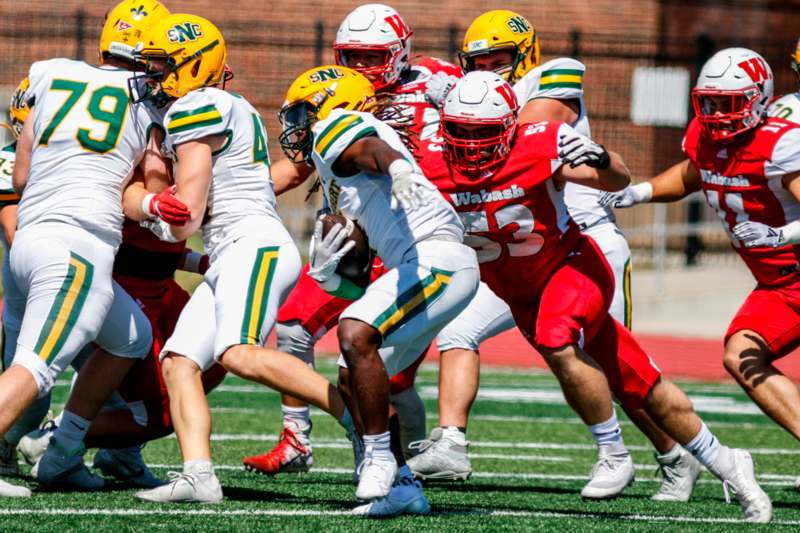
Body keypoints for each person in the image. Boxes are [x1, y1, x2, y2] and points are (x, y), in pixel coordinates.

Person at [425, 70, 772, 523]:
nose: (470, 143)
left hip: (572, 266)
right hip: (519, 292)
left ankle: (613, 452)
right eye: (460, 131)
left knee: (556, 338)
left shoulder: (538, 142)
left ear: (509, 127)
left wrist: (603, 159)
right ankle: (730, 463)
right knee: (645, 388)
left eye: (483, 132)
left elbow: (615, 179)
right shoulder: (427, 161)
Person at [412, 8, 699, 501]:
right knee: (459, 330)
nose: (484, 72)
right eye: (476, 64)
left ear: (525, 54)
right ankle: (451, 443)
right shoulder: (480, 105)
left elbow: (530, 129)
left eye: (496, 60)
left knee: (613, 367)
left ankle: (676, 454)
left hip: (583, 243)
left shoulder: (551, 79)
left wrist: (460, 109)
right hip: (519, 254)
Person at [129, 14, 358, 504]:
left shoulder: (194, 106)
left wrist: (144, 195)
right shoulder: (225, 104)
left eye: (163, 64)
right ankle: (199, 475)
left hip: (248, 244)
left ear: (193, 65)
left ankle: (359, 416)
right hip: (238, 245)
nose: (153, 75)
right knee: (180, 360)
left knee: (237, 351)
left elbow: (184, 216)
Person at [245, 3, 461, 475]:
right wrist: (238, 194)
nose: (362, 66)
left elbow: (489, 123)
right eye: (354, 56)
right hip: (359, 237)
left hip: (419, 235)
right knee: (292, 325)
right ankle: (296, 439)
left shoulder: (437, 86)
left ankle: (411, 459)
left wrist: (459, 90)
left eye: (373, 55)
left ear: (402, 53)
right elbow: (301, 163)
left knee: (388, 372)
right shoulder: (338, 99)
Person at [277, 64, 480, 516]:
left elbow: (372, 150)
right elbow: (360, 288)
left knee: (353, 333)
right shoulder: (339, 178)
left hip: (437, 257)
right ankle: (404, 487)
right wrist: (330, 277)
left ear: (333, 106)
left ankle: (379, 456)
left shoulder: (339, 128)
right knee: (355, 369)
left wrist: (399, 168)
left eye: (304, 113)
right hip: (423, 265)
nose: (299, 127)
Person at [605, 46, 800, 494]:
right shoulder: (707, 139)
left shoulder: (779, 142)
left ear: (759, 98)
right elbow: (694, 175)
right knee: (741, 356)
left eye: (727, 103)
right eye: (709, 102)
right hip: (780, 285)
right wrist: (642, 192)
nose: (715, 113)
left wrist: (782, 235)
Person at [0, 0, 175, 497]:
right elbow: (156, 189)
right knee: (35, 369)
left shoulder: (51, 74)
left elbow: (21, 174)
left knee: (132, 337)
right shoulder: (150, 102)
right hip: (79, 245)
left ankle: (62, 456)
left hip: (30, 239)